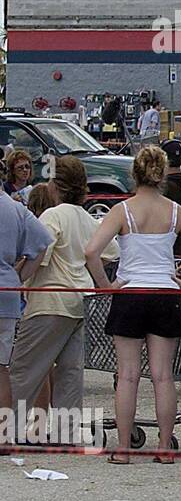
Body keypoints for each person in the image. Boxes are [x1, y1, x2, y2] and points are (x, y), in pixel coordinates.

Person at [85, 146, 181, 462]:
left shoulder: (123, 210)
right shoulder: (174, 211)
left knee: (128, 374)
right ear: (162, 175)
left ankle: (122, 448)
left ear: (134, 174)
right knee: (163, 376)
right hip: (164, 294)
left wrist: (105, 286)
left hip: (130, 293)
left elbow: (92, 251)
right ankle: (164, 447)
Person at [7, 158, 110, 447]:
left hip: (48, 300)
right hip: (80, 300)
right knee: (69, 374)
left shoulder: (52, 216)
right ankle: (66, 432)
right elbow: (108, 250)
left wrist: (18, 274)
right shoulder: (85, 217)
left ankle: (7, 430)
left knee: (25, 370)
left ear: (56, 184)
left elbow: (41, 254)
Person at [0, 193, 54, 433]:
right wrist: (19, 277)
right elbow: (43, 242)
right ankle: (3, 435)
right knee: (1, 368)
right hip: (6, 292)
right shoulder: (16, 209)